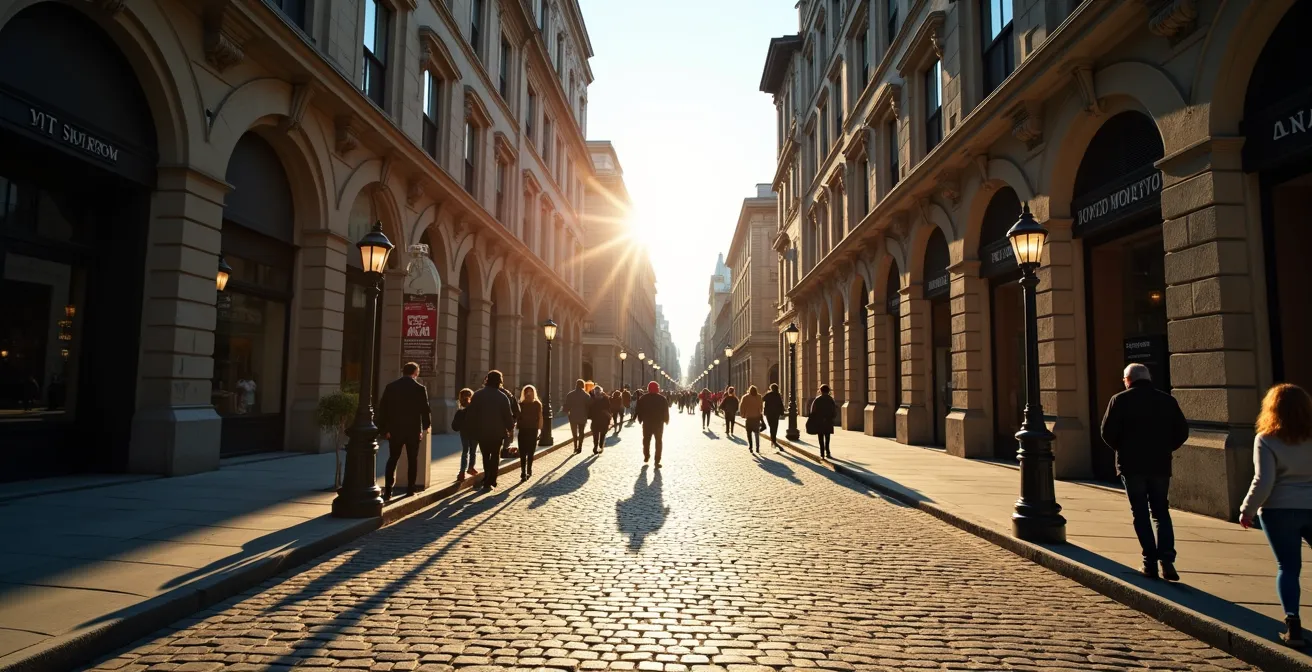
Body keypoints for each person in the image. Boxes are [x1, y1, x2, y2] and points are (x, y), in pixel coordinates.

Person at [1100, 362, 1190, 581]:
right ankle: (1167, 561)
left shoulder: (1119, 400)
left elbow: (1107, 432)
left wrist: (1123, 449)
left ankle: (1149, 562)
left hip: (1131, 466)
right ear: (1148, 378)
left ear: (1127, 380)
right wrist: (1166, 448)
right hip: (1159, 465)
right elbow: (1182, 432)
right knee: (1161, 512)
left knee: (1140, 512)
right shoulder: (1167, 401)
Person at [1239, 384, 1312, 647]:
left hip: (1278, 509)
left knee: (1288, 568)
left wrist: (1246, 510)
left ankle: (1293, 626)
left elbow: (1264, 480)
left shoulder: (1266, 439)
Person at [375, 362, 432, 501]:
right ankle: (410, 490)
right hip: (413, 430)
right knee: (413, 459)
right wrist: (425, 427)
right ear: (415, 373)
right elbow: (424, 409)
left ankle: (388, 491)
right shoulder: (419, 388)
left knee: (393, 458)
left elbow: (383, 409)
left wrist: (384, 429)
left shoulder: (391, 387)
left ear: (403, 371)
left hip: (394, 430)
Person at [466, 370, 515, 490]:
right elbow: (507, 416)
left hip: (482, 431)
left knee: (485, 455)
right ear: (500, 381)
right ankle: (492, 479)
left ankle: (487, 476)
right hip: (497, 433)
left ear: (487, 380)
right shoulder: (503, 397)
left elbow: (471, 414)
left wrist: (471, 429)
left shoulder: (477, 395)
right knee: (495, 456)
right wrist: (510, 428)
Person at [636, 381, 670, 467]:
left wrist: (640, 419)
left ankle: (646, 455)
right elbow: (665, 411)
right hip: (658, 424)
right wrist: (666, 420)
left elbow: (639, 409)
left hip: (647, 423)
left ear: (648, 388)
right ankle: (657, 460)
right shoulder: (662, 399)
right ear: (657, 389)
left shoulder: (643, 398)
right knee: (658, 441)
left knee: (646, 440)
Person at [517, 385, 544, 482]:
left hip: (533, 430)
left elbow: (540, 417)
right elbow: (517, 417)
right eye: (526, 392)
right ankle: (523, 472)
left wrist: (540, 429)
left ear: (533, 393)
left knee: (531, 452)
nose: (528, 393)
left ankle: (529, 470)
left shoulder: (537, 404)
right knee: (522, 452)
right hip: (523, 430)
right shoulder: (521, 404)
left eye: (530, 392)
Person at [451, 388, 478, 481]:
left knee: (465, 452)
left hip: (464, 434)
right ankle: (471, 467)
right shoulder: (475, 410)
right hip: (474, 433)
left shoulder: (460, 411)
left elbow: (454, 426)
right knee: (473, 451)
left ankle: (462, 472)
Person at [807, 385, 838, 459]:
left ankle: (822, 453)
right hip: (828, 420)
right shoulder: (831, 399)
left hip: (819, 420)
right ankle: (828, 451)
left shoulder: (817, 399)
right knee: (827, 437)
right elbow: (834, 411)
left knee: (820, 437)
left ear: (821, 390)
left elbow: (812, 410)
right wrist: (832, 418)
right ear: (828, 391)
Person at [565, 379, 591, 454]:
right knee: (581, 432)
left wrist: (567, 412)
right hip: (583, 416)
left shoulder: (570, 394)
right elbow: (589, 406)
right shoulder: (586, 395)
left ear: (576, 385)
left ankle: (575, 447)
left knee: (574, 433)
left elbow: (567, 406)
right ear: (583, 386)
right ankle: (580, 447)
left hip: (573, 416)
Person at [740, 385, 765, 454]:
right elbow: (761, 407)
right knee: (757, 433)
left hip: (749, 418)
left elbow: (742, 407)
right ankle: (757, 447)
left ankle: (751, 446)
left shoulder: (745, 397)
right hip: (756, 418)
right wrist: (760, 412)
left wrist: (743, 414)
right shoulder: (759, 397)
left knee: (749, 433)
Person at [500, 380, 521, 458]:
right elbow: (516, 410)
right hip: (507, 422)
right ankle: (505, 451)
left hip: (490, 425)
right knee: (506, 438)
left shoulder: (482, 394)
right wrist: (514, 420)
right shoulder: (508, 394)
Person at [590, 384, 611, 454]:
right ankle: (598, 446)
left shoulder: (603, 399)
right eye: (596, 392)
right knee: (599, 434)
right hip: (600, 420)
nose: (597, 394)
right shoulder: (604, 399)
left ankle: (598, 446)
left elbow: (608, 408)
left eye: (598, 392)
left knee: (599, 434)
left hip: (600, 420)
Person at [763, 383, 785, 450]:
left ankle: (773, 440)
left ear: (771, 388)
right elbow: (781, 404)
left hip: (769, 413)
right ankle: (773, 440)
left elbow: (762, 399)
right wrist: (782, 412)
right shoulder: (778, 395)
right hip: (776, 413)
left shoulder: (768, 394)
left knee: (771, 426)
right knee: (774, 426)